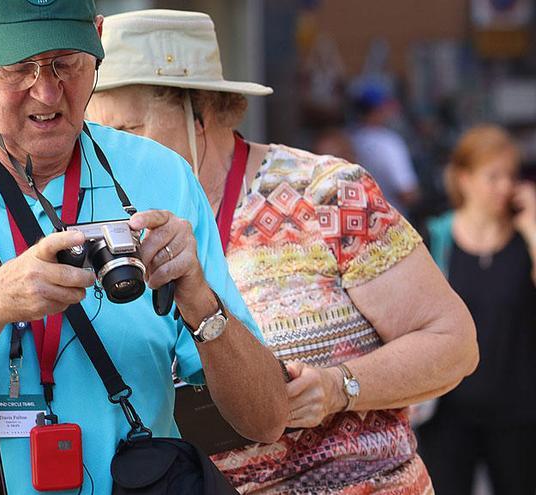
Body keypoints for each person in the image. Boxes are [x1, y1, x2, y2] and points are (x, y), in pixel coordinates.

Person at [0, 1, 289, 493]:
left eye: (66, 63)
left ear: (98, 43)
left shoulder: (160, 174)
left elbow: (267, 419)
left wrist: (198, 298)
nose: (48, 93)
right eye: (18, 68)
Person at [87, 9, 478, 493]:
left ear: (200, 112)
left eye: (128, 130)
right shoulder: (110, 229)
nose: (112, 153)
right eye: (99, 136)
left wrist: (340, 386)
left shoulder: (325, 193)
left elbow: (453, 340)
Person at [417, 125, 536, 495]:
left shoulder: (523, 239)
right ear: (464, 179)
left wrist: (532, 225)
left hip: (519, 410)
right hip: (448, 411)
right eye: (493, 176)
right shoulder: (435, 236)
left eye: (511, 176)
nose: (505, 187)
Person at [350, 83, 421, 217]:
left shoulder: (348, 140)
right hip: (390, 227)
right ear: (379, 109)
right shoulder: (389, 142)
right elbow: (407, 193)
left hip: (356, 223)